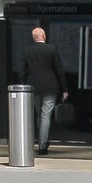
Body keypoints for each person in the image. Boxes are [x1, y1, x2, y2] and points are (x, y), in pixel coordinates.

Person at [17, 26, 68, 154]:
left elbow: (21, 71)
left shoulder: (27, 51)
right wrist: (65, 89)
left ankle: (41, 139)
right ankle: (42, 145)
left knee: (39, 114)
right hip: (51, 86)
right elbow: (59, 70)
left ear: (34, 38)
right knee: (46, 114)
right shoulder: (52, 49)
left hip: (33, 87)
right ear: (44, 36)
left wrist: (24, 86)